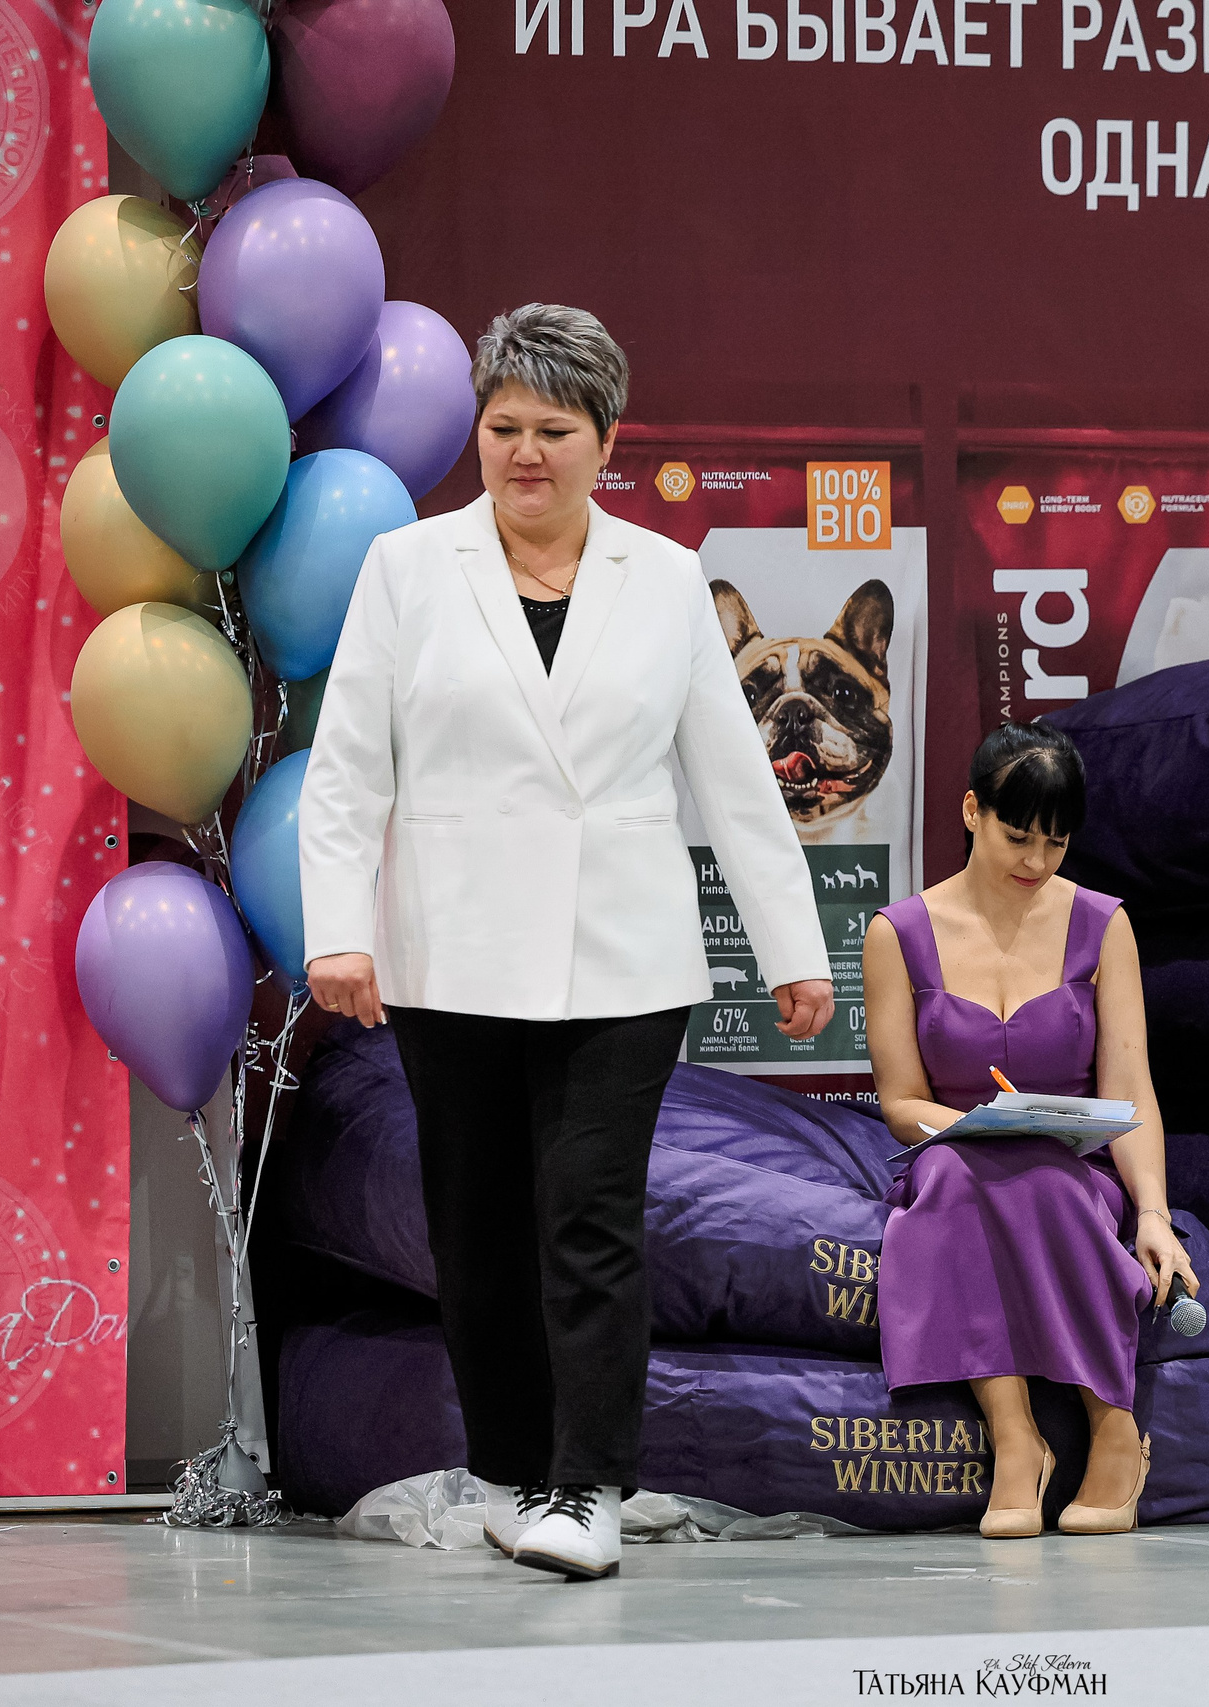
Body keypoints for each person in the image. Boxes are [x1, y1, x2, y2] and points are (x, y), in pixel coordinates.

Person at [297, 304, 834, 1581]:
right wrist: (340, 931)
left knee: (589, 1217)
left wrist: (796, 952)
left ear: (606, 440)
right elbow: (346, 769)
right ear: (475, 430)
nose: (524, 453)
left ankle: (588, 1485)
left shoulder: (662, 578)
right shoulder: (408, 569)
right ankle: (512, 1469)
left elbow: (732, 779)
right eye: (503, 427)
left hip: (622, 957)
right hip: (451, 952)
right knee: (475, 1228)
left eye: (554, 429)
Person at [862, 722, 1197, 1538]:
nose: (1037, 862)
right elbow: (902, 1099)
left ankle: (1115, 1429)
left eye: (1056, 841)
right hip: (957, 1146)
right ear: (971, 810)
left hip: (1072, 1160)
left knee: (1044, 1174)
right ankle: (1018, 1441)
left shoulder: (1102, 924)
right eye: (1018, 836)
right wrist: (976, 1123)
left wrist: (1152, 1209)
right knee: (950, 1176)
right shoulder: (897, 933)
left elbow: (1129, 1087)